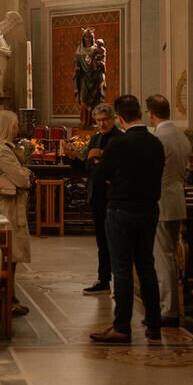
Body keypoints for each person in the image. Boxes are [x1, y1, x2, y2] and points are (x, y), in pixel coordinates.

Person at [89, 94, 165, 344]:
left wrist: (112, 176)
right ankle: (154, 325)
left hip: (121, 211)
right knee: (146, 266)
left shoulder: (119, 144)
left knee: (121, 270)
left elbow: (99, 176)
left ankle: (122, 327)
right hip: (149, 210)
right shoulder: (155, 144)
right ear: (141, 114)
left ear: (119, 118)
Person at [146, 94, 190, 325]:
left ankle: (169, 309)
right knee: (170, 256)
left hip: (161, 202)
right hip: (177, 200)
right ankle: (170, 305)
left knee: (163, 259)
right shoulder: (181, 137)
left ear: (151, 114)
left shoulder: (158, 138)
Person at [0, 109, 32, 316]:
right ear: (7, 126)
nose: (17, 128)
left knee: (10, 255)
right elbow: (20, 180)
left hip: (8, 206)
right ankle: (6, 298)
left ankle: (10, 297)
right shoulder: (3, 150)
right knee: (9, 254)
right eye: (15, 124)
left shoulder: (3, 148)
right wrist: (26, 175)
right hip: (7, 208)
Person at [81, 102, 120, 295]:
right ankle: (103, 279)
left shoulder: (120, 139)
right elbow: (88, 167)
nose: (101, 125)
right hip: (97, 196)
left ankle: (120, 281)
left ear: (113, 119)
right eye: (98, 121)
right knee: (101, 241)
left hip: (113, 197)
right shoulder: (95, 139)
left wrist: (99, 161)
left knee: (116, 241)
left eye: (105, 120)